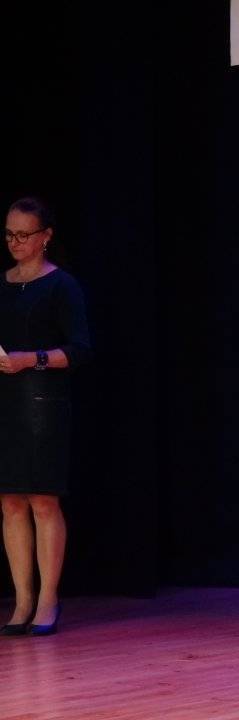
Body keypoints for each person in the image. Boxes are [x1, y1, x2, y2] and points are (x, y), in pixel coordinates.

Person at [0, 197, 91, 637]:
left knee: (42, 500)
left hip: (42, 404)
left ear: (46, 237)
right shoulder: (2, 285)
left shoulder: (61, 286)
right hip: (5, 404)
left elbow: (79, 350)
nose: (15, 242)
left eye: (24, 234)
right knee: (10, 501)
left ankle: (48, 599)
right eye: (9, 234)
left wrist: (29, 359)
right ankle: (21, 600)